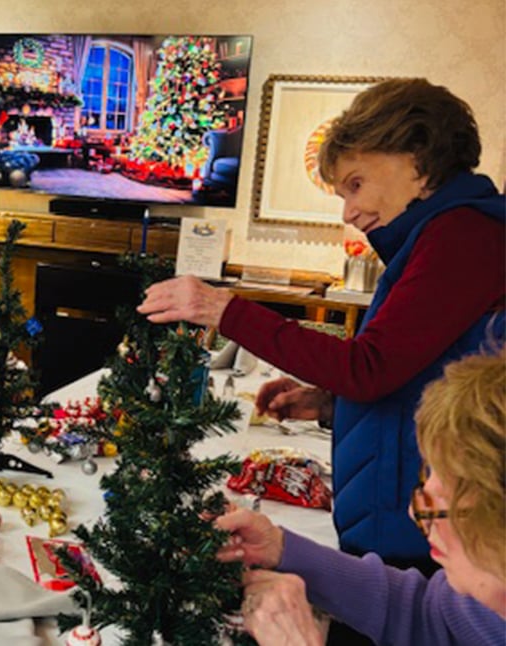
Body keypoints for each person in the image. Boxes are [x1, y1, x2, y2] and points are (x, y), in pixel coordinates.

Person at [138, 79, 505, 577]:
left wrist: (225, 310)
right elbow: (419, 374)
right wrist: (332, 403)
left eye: (355, 184)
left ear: (417, 159)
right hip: (404, 521)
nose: (349, 213)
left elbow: (368, 368)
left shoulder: (461, 236)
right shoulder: (446, 234)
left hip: (422, 537)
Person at [211, 349, 506, 645]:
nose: (413, 514)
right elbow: (429, 614)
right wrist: (281, 548)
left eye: (434, 508)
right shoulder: (486, 598)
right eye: (423, 487)